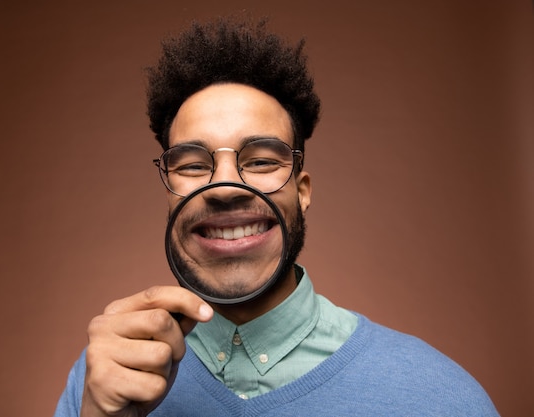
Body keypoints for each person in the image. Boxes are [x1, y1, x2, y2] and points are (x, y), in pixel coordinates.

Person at [55, 17, 499, 417]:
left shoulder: (440, 398)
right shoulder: (103, 376)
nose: (226, 188)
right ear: (169, 193)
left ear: (302, 192)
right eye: (192, 165)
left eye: (262, 161)